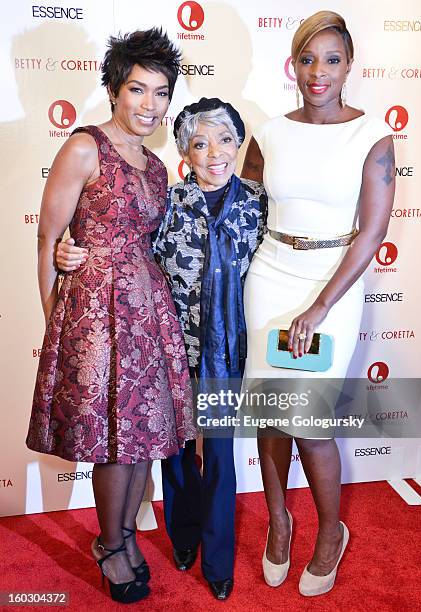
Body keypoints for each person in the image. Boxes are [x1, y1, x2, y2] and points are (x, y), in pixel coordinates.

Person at [56, 97, 267, 600]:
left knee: (218, 456)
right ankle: (185, 536)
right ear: (184, 154)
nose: (214, 153)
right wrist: (70, 247)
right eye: (200, 143)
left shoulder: (259, 202)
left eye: (224, 140)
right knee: (173, 453)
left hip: (230, 351)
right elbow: (121, 244)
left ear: (238, 145)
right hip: (170, 345)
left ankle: (218, 560)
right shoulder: (169, 203)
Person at [26, 29, 197, 604]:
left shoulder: (156, 167)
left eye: (160, 92)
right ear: (113, 88)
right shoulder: (83, 148)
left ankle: (121, 536)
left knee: (141, 436)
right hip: (94, 318)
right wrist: (60, 330)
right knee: (111, 443)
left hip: (147, 310)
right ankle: (111, 543)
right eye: (137, 89)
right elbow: (50, 241)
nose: (149, 105)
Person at [241, 11, 395, 597]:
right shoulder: (272, 132)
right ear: (294, 64)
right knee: (271, 416)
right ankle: (279, 523)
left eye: (331, 60)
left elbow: (372, 234)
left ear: (349, 64)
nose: (318, 73)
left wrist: (319, 308)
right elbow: (240, 200)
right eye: (307, 60)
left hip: (333, 284)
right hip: (271, 276)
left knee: (309, 424)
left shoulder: (372, 135)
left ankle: (331, 532)